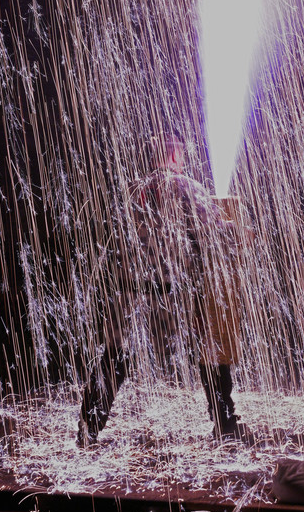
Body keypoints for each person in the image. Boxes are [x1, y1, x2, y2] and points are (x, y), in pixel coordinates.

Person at [77, 132, 244, 446]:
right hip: (171, 295)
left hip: (129, 294)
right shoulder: (187, 188)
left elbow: (112, 241)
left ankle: (88, 428)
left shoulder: (130, 190)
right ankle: (225, 424)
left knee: (114, 359)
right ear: (175, 154)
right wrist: (235, 229)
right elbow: (211, 235)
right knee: (210, 351)